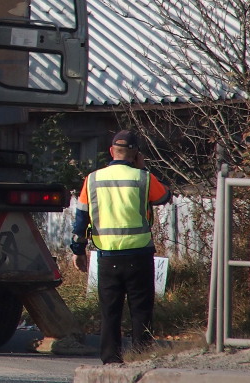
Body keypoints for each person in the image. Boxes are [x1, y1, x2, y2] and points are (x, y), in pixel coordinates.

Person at [71, 130, 172, 365]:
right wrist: (143, 168)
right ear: (136, 154)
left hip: (107, 257)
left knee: (110, 313)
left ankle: (111, 360)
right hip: (139, 254)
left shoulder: (92, 179)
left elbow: (81, 218)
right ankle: (140, 358)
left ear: (110, 152)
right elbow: (164, 196)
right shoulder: (143, 178)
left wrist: (78, 250)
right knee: (141, 311)